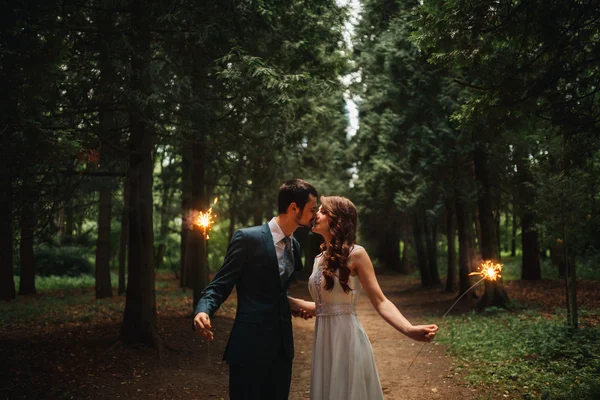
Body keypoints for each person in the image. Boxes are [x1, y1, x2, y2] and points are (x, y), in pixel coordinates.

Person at [288, 196, 439, 400]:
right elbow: (325, 307)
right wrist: (287, 301)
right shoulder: (318, 260)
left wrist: (409, 329)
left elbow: (380, 301)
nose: (316, 214)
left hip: (346, 338)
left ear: (338, 220)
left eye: (323, 211)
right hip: (323, 340)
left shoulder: (356, 254)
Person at [193, 178, 318, 400]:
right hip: (249, 347)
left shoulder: (295, 245)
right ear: (293, 208)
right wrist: (203, 309)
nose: (315, 215)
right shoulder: (247, 238)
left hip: (282, 350)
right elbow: (220, 284)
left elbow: (277, 291)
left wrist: (291, 305)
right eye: (311, 209)